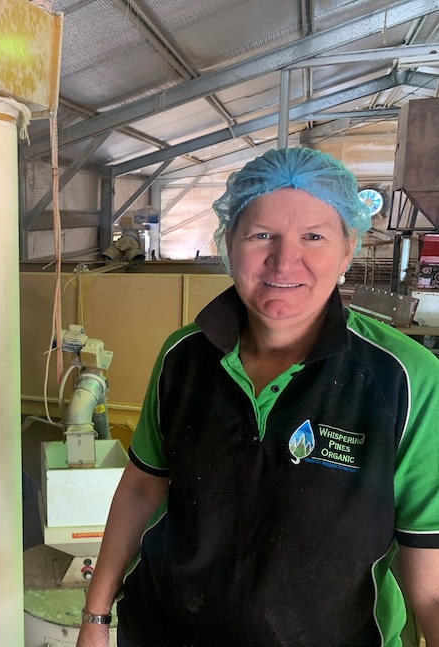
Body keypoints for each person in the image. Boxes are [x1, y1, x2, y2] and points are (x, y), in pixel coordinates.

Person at [77, 147, 439, 646]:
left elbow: (431, 575)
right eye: (262, 235)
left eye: (313, 236)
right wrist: (95, 619)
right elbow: (142, 488)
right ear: (230, 242)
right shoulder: (184, 356)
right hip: (166, 630)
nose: (284, 260)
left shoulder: (406, 379)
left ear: (348, 250)